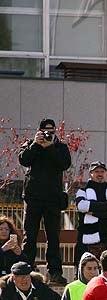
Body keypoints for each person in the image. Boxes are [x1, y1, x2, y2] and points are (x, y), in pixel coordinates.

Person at [18, 118, 71, 286]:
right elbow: (24, 159)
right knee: (30, 235)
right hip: (33, 198)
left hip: (52, 199)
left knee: (53, 237)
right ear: (39, 131)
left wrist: (49, 148)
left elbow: (64, 164)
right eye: (45, 130)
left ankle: (54, 271)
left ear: (56, 131)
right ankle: (27, 269)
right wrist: (36, 144)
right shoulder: (31, 144)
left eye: (51, 130)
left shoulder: (60, 147)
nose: (48, 133)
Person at [73, 161, 107, 268]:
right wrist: (106, 205)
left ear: (106, 174)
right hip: (87, 241)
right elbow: (82, 206)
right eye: (96, 171)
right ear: (90, 174)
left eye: (102, 171)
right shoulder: (83, 190)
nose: (100, 174)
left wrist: (93, 211)